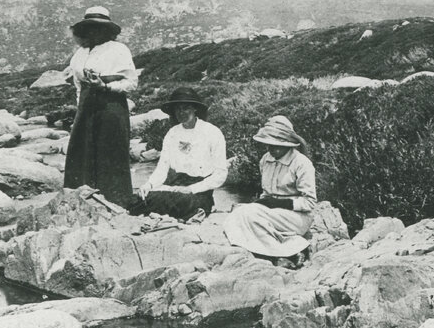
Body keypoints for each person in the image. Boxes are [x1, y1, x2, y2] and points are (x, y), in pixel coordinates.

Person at [63, 6, 138, 209]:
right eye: (89, 27)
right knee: (82, 150)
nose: (93, 32)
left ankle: (115, 200)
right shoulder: (80, 53)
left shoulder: (119, 50)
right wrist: (80, 108)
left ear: (107, 30)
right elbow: (78, 85)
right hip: (87, 107)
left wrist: (105, 86)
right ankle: (83, 201)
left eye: (98, 28)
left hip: (111, 105)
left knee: (111, 149)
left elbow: (131, 83)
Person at [223, 116, 317, 267]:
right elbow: (266, 193)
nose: (270, 149)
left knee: (250, 216)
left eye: (275, 145)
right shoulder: (266, 160)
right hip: (273, 212)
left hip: (297, 216)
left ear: (287, 144)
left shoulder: (301, 163)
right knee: (237, 214)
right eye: (268, 144)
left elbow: (310, 202)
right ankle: (286, 249)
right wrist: (263, 202)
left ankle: (283, 253)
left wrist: (278, 203)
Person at [130, 87, 228, 220]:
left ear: (195, 109)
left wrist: (191, 189)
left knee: (182, 202)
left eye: (186, 108)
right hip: (174, 186)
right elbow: (162, 168)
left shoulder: (212, 132)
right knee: (138, 198)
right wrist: (148, 185)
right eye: (178, 109)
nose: (181, 112)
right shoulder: (172, 133)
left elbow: (221, 174)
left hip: (199, 190)